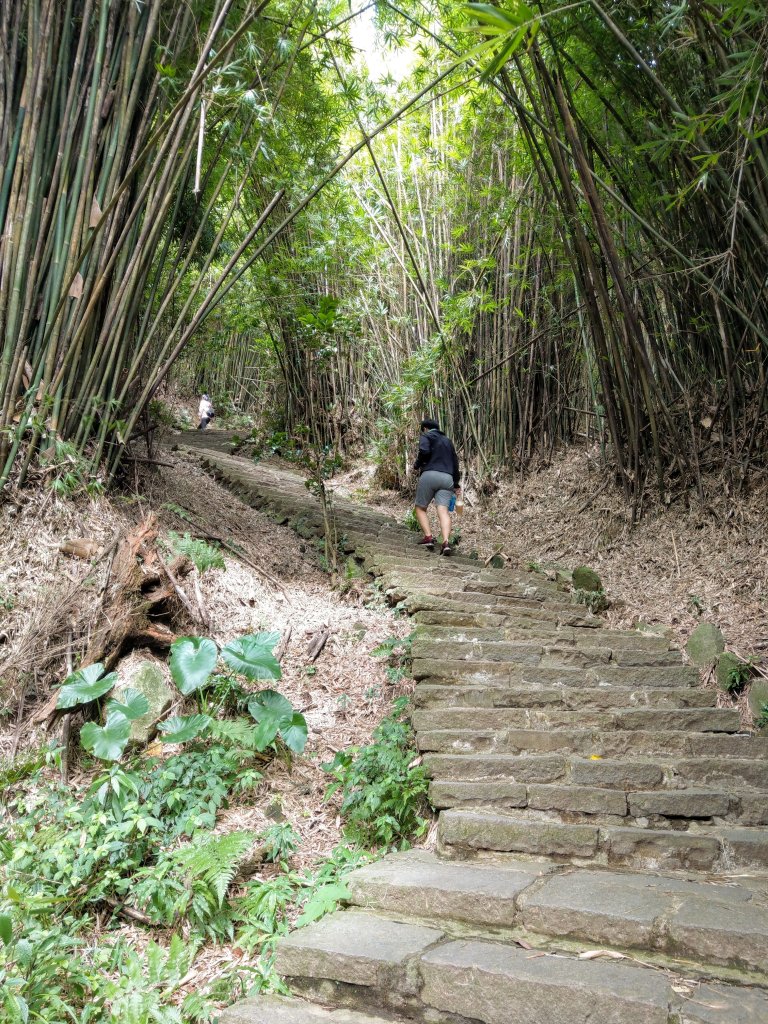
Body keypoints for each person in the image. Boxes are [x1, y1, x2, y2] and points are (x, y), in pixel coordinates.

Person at [413, 417, 460, 555]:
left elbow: (424, 451)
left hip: (430, 474)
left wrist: (417, 464)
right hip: (447, 478)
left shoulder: (426, 436)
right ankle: (445, 542)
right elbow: (455, 464)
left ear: (425, 428)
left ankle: (428, 537)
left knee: (420, 508)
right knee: (443, 511)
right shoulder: (447, 441)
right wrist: (456, 484)